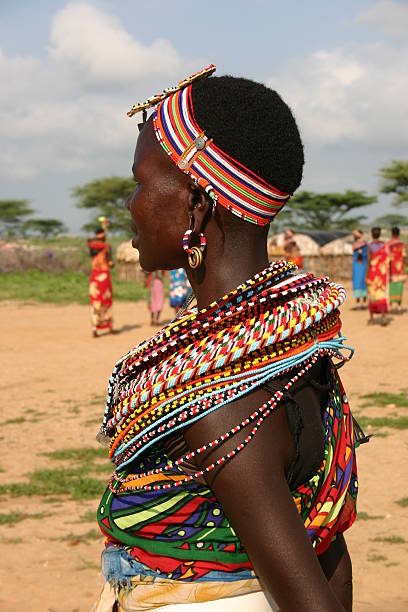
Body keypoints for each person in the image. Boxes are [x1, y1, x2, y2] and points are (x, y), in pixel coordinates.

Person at [94, 66, 365, 612]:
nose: (131, 203)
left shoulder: (218, 400)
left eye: (141, 182)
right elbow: (328, 548)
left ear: (195, 203)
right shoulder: (297, 354)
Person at [88, 217, 116, 337]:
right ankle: (108, 327)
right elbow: (110, 262)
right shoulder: (105, 246)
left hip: (95, 277)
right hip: (103, 275)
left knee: (96, 302)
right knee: (106, 301)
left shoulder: (92, 245)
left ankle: (96, 328)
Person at [366, 227, 389, 326]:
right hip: (381, 273)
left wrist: (366, 275)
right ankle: (383, 317)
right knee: (382, 293)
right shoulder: (385, 245)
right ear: (379, 234)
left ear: (372, 234)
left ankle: (371, 318)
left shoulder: (370, 246)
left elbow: (368, 261)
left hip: (372, 273)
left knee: (372, 294)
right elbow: (387, 260)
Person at [388, 226, 406, 312]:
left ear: (392, 234)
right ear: (399, 234)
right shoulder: (402, 245)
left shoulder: (388, 244)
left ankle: (391, 304)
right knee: (399, 286)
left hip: (391, 268)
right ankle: (399, 305)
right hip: (400, 268)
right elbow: (405, 257)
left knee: (391, 286)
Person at [351, 229, 367, 308]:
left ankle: (363, 302)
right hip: (357, 266)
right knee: (357, 282)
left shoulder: (364, 244)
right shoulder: (355, 244)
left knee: (363, 282)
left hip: (363, 264)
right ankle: (357, 303)